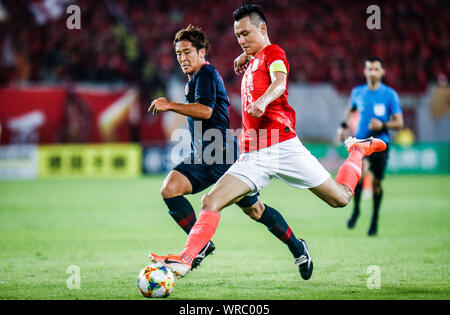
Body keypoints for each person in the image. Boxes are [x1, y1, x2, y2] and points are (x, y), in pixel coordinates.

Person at [149, 4, 387, 280]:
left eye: (246, 33)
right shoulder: (252, 58)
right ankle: (186, 259)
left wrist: (263, 100)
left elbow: (280, 81)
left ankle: (357, 150)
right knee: (210, 201)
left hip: (282, 146)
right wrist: (244, 55)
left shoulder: (275, 53)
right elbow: (256, 59)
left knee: (341, 198)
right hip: (252, 154)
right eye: (238, 35)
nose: (242, 39)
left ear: (263, 28)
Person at [148, 24, 302, 270]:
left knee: (255, 210)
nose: (182, 58)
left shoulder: (207, 75)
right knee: (170, 188)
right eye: (178, 54)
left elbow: (205, 110)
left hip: (223, 157)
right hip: (201, 156)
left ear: (201, 53)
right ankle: (200, 245)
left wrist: (170, 104)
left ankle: (297, 247)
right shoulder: (193, 81)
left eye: (187, 52)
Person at [337, 57, 403, 236]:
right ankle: (356, 210)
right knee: (360, 176)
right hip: (360, 144)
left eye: (376, 69)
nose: (372, 72)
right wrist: (342, 127)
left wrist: (382, 125)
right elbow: (350, 110)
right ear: (365, 72)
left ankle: (374, 218)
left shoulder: (390, 95)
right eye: (370, 69)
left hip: (381, 145)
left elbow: (399, 123)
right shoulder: (358, 92)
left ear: (382, 72)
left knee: (376, 184)